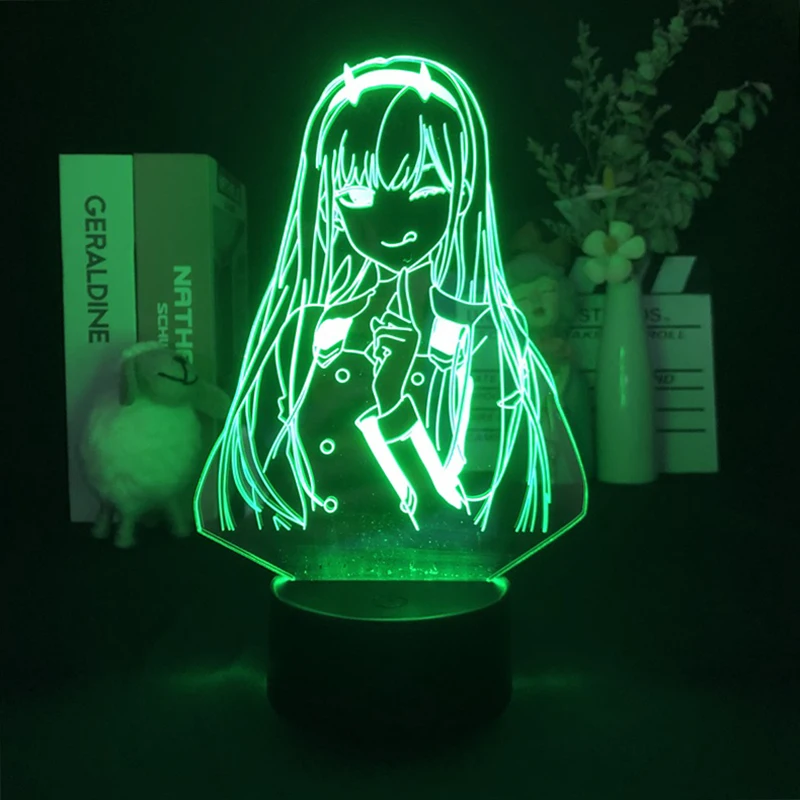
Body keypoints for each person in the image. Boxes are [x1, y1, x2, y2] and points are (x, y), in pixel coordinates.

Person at [195, 55, 587, 549]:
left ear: (464, 191)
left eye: (426, 189)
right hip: (317, 556)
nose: (394, 223)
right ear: (326, 201)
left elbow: (468, 519)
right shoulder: (301, 335)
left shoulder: (486, 337)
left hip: (441, 562)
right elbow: (259, 488)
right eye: (357, 194)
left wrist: (395, 406)